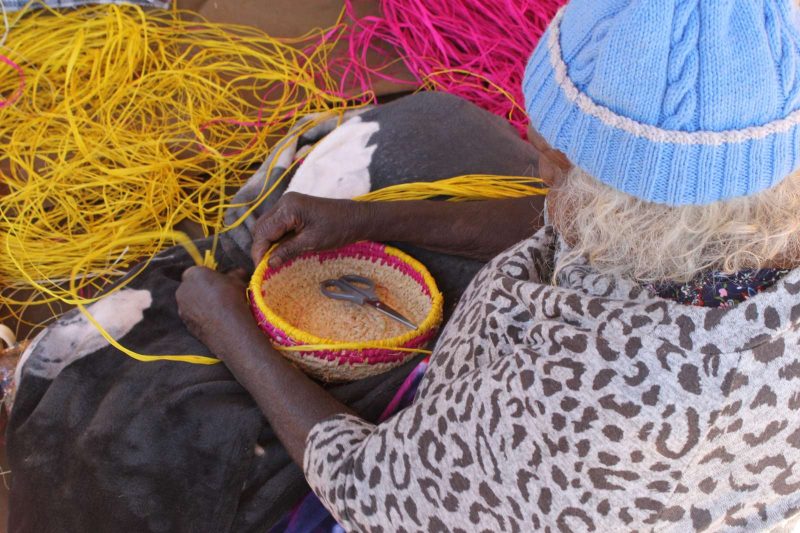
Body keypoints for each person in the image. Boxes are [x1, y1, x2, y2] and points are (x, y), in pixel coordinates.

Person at [175, 1, 800, 531]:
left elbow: (371, 489)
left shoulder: (588, 409)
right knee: (444, 123)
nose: (539, 177)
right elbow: (563, 227)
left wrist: (229, 330)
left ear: (637, 217)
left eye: (554, 167)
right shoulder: (725, 222)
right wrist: (367, 221)